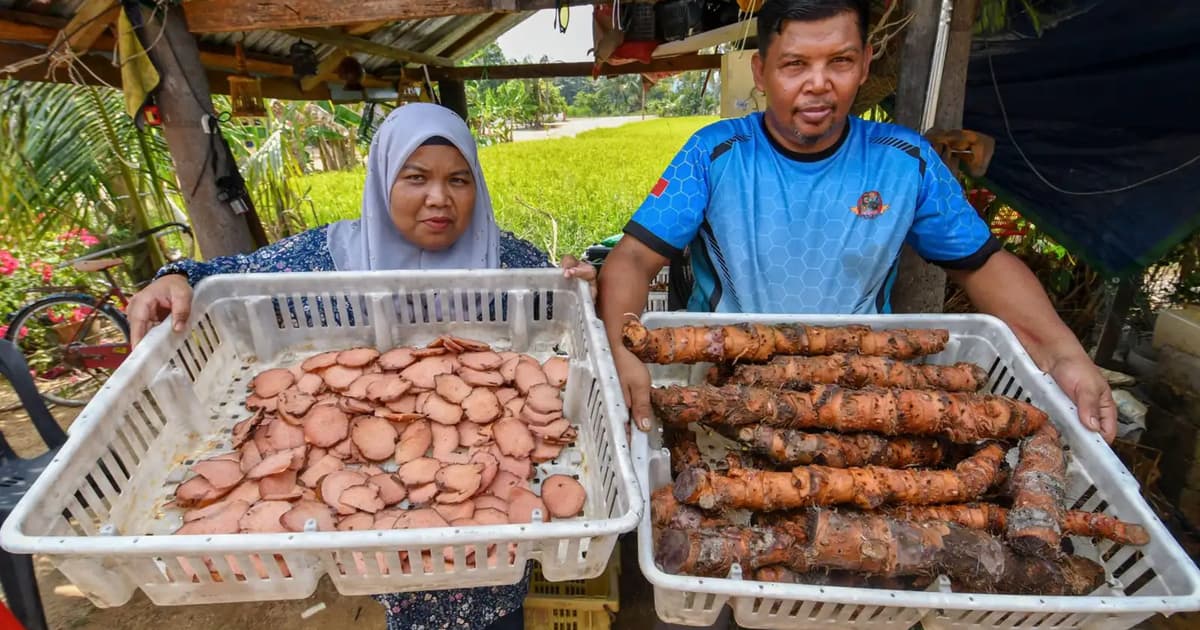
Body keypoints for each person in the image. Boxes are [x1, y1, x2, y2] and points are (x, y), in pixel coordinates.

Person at [126, 102, 595, 630]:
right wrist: (175, 278)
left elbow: (565, 305)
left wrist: (582, 280)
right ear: (382, 179)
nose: (439, 197)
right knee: (404, 590)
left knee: (499, 603)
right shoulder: (326, 257)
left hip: (496, 543)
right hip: (382, 530)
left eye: (458, 180)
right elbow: (228, 277)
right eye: (415, 177)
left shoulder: (507, 259)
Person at [597, 0, 1117, 443]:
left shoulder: (904, 162)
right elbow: (633, 260)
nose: (818, 85)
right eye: (794, 65)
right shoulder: (714, 153)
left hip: (858, 397)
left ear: (866, 63)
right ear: (760, 71)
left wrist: (1063, 354)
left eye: (840, 61)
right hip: (723, 390)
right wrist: (622, 350)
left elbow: (983, 265)